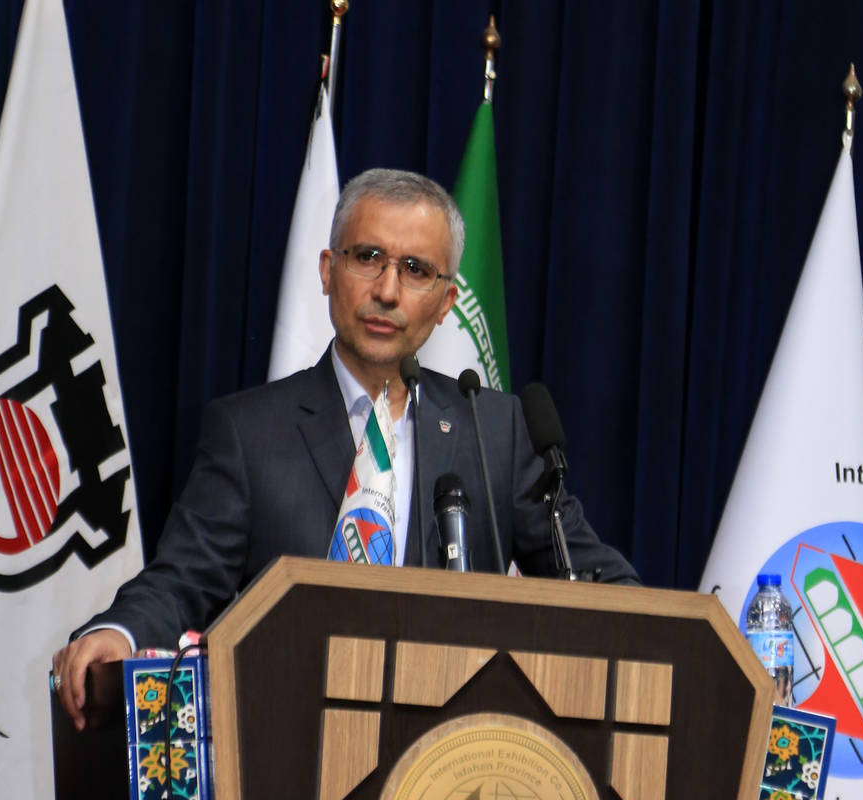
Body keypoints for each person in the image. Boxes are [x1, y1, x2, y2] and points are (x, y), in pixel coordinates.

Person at [52, 168, 638, 729]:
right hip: (295, 740)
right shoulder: (249, 432)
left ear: (446, 302)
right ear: (329, 270)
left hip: (456, 753)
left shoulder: (495, 431)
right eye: (368, 257)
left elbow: (591, 579)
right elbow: (182, 579)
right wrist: (121, 631)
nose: (387, 290)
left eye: (415, 270)